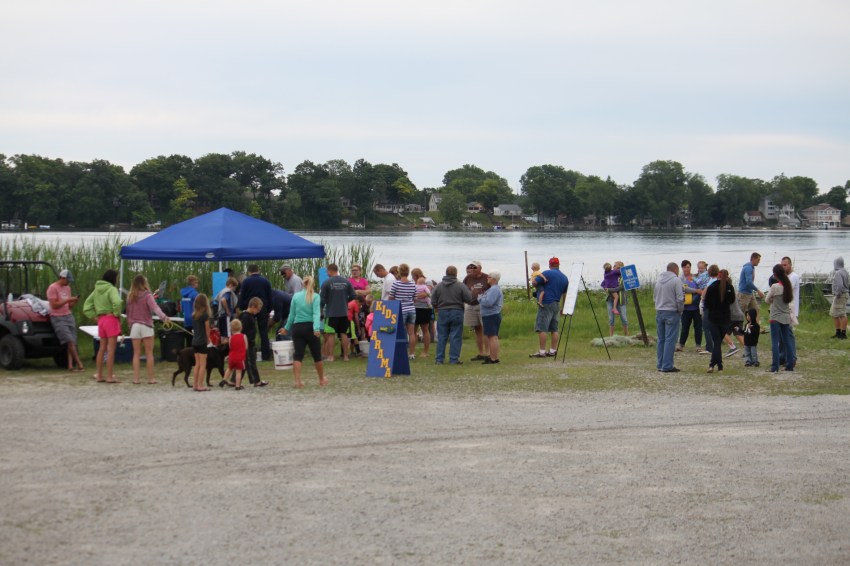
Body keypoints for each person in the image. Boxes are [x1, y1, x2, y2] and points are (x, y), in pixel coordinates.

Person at [280, 275, 327, 388]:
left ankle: (297, 381)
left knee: (298, 355)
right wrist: (316, 328)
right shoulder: (315, 296)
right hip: (310, 327)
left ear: (302, 284)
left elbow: (291, 315)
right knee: (317, 355)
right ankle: (321, 379)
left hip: (297, 328)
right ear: (313, 284)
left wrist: (286, 328)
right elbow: (316, 313)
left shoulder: (296, 296)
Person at [125, 274, 171, 384]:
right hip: (146, 325)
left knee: (136, 354)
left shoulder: (130, 296)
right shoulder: (148, 295)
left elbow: (128, 314)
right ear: (144, 283)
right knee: (149, 354)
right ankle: (151, 379)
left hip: (135, 326)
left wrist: (130, 325)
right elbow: (155, 308)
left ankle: (136, 379)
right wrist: (164, 317)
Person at [83, 269, 123, 383]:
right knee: (111, 349)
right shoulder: (112, 289)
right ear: (113, 278)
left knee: (102, 348)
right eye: (116, 277)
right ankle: (109, 376)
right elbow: (117, 302)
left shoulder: (96, 290)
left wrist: (94, 316)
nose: (117, 280)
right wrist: (116, 313)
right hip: (111, 319)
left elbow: (86, 306)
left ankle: (99, 375)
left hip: (101, 320)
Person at [431, 265, 473, 365]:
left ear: (446, 273)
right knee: (456, 335)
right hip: (457, 311)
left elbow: (433, 300)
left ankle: (439, 359)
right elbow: (469, 299)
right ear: (456, 274)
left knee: (442, 336)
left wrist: (437, 307)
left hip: (442, 311)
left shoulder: (438, 286)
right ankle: (454, 359)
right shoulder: (460, 286)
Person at [530, 257, 569, 358]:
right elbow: (565, 294)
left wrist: (534, 281)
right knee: (554, 328)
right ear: (558, 265)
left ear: (550, 265)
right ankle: (552, 350)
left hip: (546, 303)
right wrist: (563, 307)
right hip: (557, 304)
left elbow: (535, 282)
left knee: (542, 327)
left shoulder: (547, 273)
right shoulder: (564, 277)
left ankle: (542, 352)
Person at [46, 269, 84, 372]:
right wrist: (67, 300)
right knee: (69, 340)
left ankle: (70, 365)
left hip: (68, 316)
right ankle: (79, 364)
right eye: (68, 280)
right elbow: (54, 305)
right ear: (62, 278)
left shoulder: (67, 288)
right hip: (57, 317)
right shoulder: (52, 288)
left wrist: (74, 301)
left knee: (72, 341)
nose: (68, 282)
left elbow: (69, 306)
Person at [319, 263, 356, 362]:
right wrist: (345, 301)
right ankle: (346, 356)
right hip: (344, 312)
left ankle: (331, 356)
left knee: (331, 334)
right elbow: (353, 295)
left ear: (330, 270)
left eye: (327, 271)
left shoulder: (326, 283)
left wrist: (321, 311)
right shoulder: (346, 282)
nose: (327, 273)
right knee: (344, 334)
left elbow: (322, 300)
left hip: (331, 313)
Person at [703, 267, 735, 373]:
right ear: (727, 276)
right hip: (725, 319)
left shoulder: (712, 287)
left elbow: (707, 303)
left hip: (713, 318)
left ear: (718, 275)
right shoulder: (730, 287)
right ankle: (719, 365)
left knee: (716, 342)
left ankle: (712, 365)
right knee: (718, 342)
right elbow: (732, 301)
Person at [654, 262, 684, 373]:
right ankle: (667, 365)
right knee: (670, 339)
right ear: (675, 269)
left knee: (661, 339)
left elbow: (654, 297)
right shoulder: (676, 280)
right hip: (672, 311)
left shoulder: (658, 280)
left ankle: (660, 364)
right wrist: (680, 309)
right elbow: (680, 298)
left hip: (659, 311)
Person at [765, 264, 796, 372]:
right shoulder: (788, 286)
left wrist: (773, 299)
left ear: (775, 274)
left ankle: (775, 366)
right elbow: (789, 299)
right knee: (787, 341)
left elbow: (767, 300)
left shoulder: (775, 287)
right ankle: (790, 364)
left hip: (775, 316)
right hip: (785, 315)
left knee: (775, 342)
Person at [238, 265, 273, 361]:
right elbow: (270, 297)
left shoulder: (246, 282)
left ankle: (249, 354)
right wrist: (269, 310)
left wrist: (242, 308)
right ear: (258, 270)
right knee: (263, 332)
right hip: (262, 308)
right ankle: (265, 355)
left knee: (248, 332)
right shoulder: (265, 281)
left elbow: (242, 296)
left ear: (249, 272)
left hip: (250, 308)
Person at [388, 263, 418, 359]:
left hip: (401, 309)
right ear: (408, 272)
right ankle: (412, 354)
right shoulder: (412, 284)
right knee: (411, 333)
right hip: (411, 309)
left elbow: (391, 297)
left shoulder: (396, 284)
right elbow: (415, 298)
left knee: (399, 331)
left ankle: (400, 352)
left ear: (399, 272)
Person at [463, 260, 490, 361]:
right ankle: (480, 352)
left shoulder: (486, 277)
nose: (472, 269)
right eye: (471, 267)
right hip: (470, 305)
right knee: (477, 330)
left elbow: (492, 289)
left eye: (474, 267)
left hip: (482, 305)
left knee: (486, 329)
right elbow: (463, 289)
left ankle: (488, 353)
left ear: (480, 268)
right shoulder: (468, 278)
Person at [238, 297, 268, 387]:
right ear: (253, 306)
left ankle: (234, 381)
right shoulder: (246, 317)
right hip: (247, 343)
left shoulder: (249, 316)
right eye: (258, 309)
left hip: (250, 342)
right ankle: (256, 380)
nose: (258, 311)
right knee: (251, 363)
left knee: (244, 363)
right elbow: (242, 331)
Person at [677, 260, 703, 353]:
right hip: (686, 307)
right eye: (685, 267)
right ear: (682, 268)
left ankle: (698, 346)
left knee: (698, 327)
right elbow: (683, 288)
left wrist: (698, 291)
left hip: (696, 307)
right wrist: (695, 291)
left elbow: (701, 287)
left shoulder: (695, 277)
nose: (686, 269)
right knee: (685, 327)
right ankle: (681, 345)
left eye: (688, 267)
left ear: (690, 268)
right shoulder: (680, 279)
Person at [477, 270, 503, 364]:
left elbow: (489, 302)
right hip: (492, 315)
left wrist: (480, 298)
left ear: (494, 279)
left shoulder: (494, 289)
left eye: (489, 277)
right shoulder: (493, 289)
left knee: (492, 337)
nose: (487, 278)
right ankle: (493, 356)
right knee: (493, 336)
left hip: (491, 315)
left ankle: (493, 358)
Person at [190, 294, 212, 391]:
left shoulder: (194, 315)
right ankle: (200, 385)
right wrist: (209, 339)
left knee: (197, 364)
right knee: (203, 364)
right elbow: (207, 330)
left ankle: (195, 384)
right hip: (202, 341)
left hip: (195, 341)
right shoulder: (205, 315)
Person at [737, 252, 764, 317]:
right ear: (753, 259)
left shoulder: (751, 267)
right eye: (758, 260)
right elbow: (749, 282)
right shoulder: (748, 268)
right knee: (740, 313)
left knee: (756, 310)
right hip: (744, 294)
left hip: (750, 293)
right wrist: (758, 291)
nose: (759, 262)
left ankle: (753, 323)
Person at [606, 261, 629, 337]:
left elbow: (620, 288)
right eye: (614, 266)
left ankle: (626, 336)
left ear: (620, 268)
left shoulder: (624, 277)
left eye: (616, 266)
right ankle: (611, 336)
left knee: (624, 318)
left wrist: (609, 289)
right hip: (610, 299)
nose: (614, 267)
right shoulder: (611, 274)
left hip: (621, 300)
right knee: (611, 319)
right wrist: (605, 287)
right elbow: (605, 282)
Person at [223, 318, 247, 390]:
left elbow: (230, 347)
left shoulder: (231, 338)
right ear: (241, 327)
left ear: (231, 329)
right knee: (238, 372)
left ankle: (224, 379)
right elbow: (246, 347)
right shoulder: (243, 336)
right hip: (240, 357)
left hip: (232, 356)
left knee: (229, 368)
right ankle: (237, 385)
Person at [829, 256, 848, 339]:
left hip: (840, 295)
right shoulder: (845, 271)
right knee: (834, 314)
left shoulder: (838, 273)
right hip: (844, 294)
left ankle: (843, 334)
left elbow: (840, 285)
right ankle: (838, 332)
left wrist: (837, 294)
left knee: (842, 314)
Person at [413, 275, 432, 357]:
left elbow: (427, 294)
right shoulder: (416, 285)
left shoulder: (425, 284)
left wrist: (416, 296)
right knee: (414, 330)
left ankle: (425, 351)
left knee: (424, 329)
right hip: (417, 308)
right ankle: (413, 351)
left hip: (423, 308)